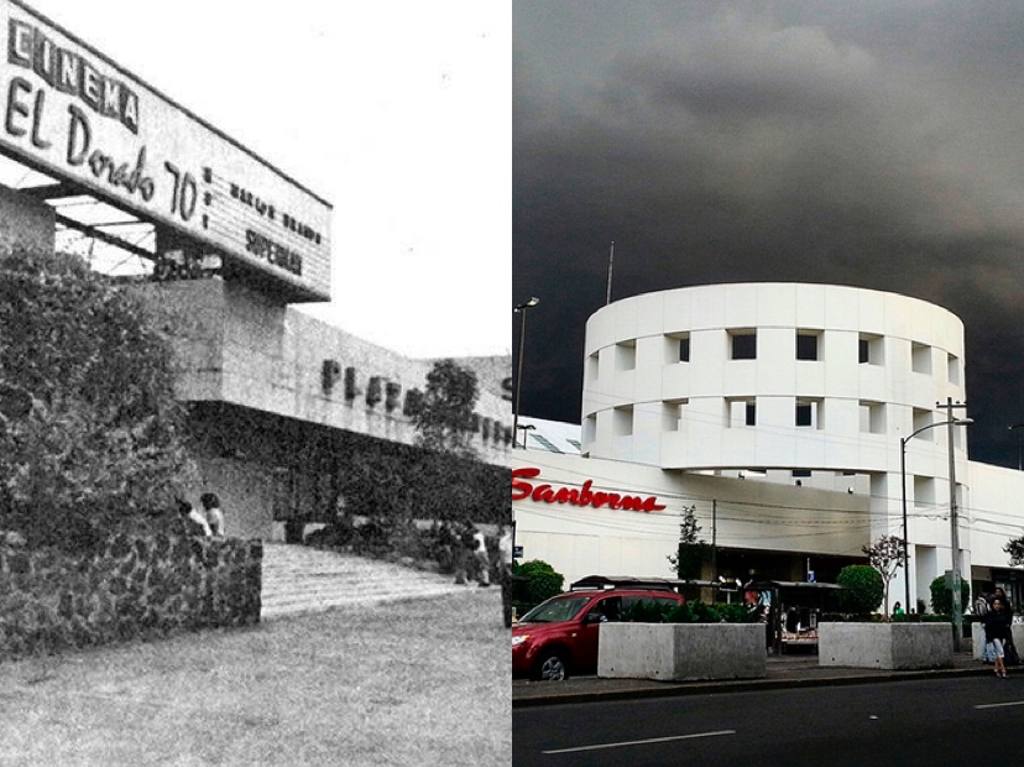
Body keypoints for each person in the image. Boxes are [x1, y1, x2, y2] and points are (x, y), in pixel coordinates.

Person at [983, 597, 1013, 678]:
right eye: (995, 604)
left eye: (998, 604)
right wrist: (989, 637)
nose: (997, 606)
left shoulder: (1002, 614)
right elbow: (988, 627)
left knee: (998, 653)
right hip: (994, 636)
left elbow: (1006, 625)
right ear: (992, 605)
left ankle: (996, 669)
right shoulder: (990, 614)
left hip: (1002, 635)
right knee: (1000, 652)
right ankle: (1003, 669)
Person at [498, 524, 514, 627]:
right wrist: (505, 571)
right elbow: (502, 558)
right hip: (507, 567)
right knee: (507, 596)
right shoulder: (504, 541)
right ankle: (508, 621)